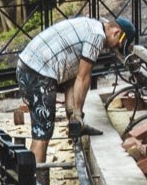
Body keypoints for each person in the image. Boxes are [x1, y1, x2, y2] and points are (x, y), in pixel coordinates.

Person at [16, 15, 135, 164]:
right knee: (42, 135)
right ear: (116, 32)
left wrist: (72, 115)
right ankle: (33, 184)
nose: (115, 48)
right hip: (38, 72)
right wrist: (78, 113)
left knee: (42, 131)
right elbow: (83, 77)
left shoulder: (91, 25)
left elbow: (72, 77)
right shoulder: (97, 36)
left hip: (29, 65)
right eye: (118, 44)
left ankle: (34, 182)